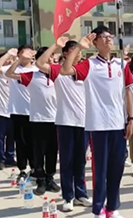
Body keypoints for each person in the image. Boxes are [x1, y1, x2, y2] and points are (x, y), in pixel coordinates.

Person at [60, 27, 133, 218]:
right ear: (95, 42)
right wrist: (79, 48)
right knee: (100, 170)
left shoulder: (121, 65)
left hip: (118, 124)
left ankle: (112, 207)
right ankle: (98, 208)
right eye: (104, 37)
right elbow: (66, 70)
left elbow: (128, 91)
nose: (109, 40)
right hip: (98, 125)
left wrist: (131, 118)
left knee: (117, 168)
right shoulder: (90, 65)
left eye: (110, 36)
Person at [36, 38, 92, 211]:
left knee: (80, 161)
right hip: (65, 122)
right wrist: (56, 45)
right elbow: (39, 63)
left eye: (81, 51)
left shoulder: (85, 70)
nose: (80, 54)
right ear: (67, 53)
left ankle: (81, 194)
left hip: (83, 122)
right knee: (67, 161)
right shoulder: (57, 71)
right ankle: (68, 196)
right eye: (76, 50)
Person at [5, 47, 60, 194]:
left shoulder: (57, 76)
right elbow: (9, 73)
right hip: (38, 120)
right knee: (38, 152)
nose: (50, 60)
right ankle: (40, 180)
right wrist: (20, 60)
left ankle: (50, 178)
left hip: (55, 120)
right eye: (47, 57)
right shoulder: (31, 76)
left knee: (52, 152)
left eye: (52, 57)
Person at [0, 46, 38, 180]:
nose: (27, 54)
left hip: (35, 112)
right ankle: (22, 169)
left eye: (30, 51)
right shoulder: (13, 69)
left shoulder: (37, 70)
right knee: (20, 143)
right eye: (23, 52)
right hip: (18, 111)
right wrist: (10, 55)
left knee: (33, 142)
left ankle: (35, 168)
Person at [0, 50, 17, 170]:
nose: (11, 61)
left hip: (14, 110)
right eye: (9, 59)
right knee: (1, 138)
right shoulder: (2, 72)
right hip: (1, 110)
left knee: (12, 137)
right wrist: (8, 54)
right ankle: (1, 159)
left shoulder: (16, 73)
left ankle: (10, 158)